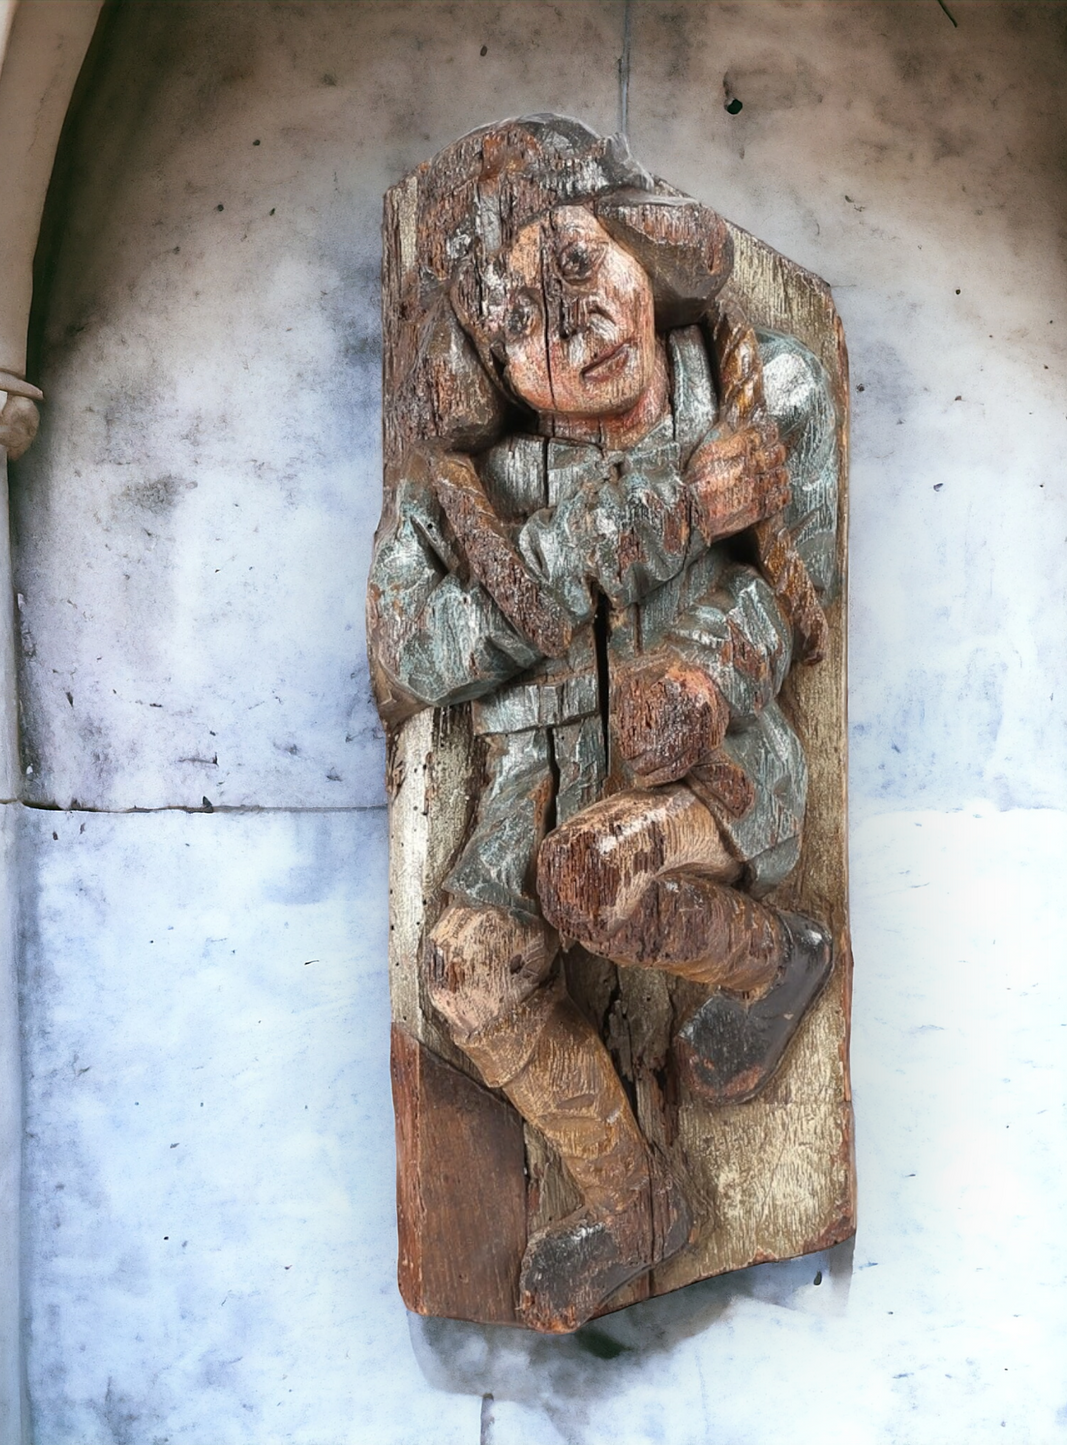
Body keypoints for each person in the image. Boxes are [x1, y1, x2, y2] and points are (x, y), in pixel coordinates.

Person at [368, 116, 839, 1334]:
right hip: (530, 774)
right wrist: (653, 514)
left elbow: (794, 594)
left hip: (704, 769)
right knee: (467, 974)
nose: (571, 333)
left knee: (597, 875)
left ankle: (779, 958)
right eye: (516, 322)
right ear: (482, 366)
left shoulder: (750, 379)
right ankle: (636, 1202)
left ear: (641, 240)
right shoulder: (465, 493)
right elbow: (409, 653)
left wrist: (701, 675)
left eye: (576, 269)